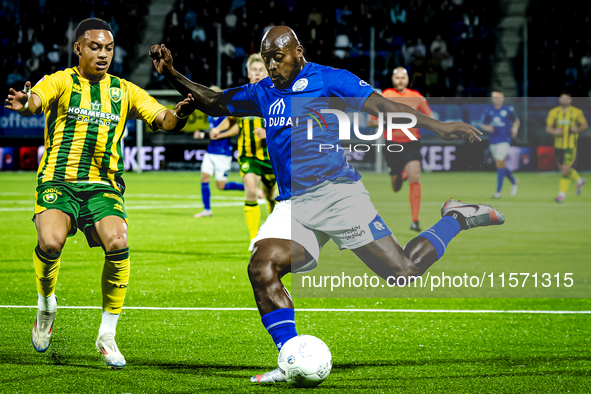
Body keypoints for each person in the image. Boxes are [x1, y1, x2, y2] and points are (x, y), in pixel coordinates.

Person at [150, 25, 504, 383]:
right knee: (262, 268)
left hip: (338, 194)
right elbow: (214, 102)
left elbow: (383, 106)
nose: (272, 66)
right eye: (267, 58)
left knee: (404, 272)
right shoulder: (263, 91)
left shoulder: (328, 79)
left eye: (278, 57)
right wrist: (173, 74)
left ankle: (455, 217)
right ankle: (290, 357)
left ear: (297, 52)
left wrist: (438, 126)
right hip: (293, 204)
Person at [4, 18, 193, 370]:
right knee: (50, 244)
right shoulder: (61, 81)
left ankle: (107, 334)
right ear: (79, 48)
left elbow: (164, 118)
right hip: (58, 182)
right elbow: (34, 100)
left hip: (102, 186)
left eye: (108, 48)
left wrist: (180, 114)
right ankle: (46, 304)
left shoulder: (125, 90)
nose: (102, 53)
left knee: (118, 242)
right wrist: (25, 102)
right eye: (95, 47)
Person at [369, 67, 433, 232]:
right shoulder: (384, 96)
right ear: (392, 79)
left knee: (415, 177)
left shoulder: (417, 97)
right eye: (397, 78)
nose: (400, 81)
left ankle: (415, 221)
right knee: (396, 187)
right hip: (392, 144)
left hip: (412, 143)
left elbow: (430, 118)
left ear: (407, 79)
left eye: (402, 78)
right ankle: (400, 173)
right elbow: (372, 121)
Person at [225, 53, 277, 240]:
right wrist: (217, 132)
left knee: (271, 197)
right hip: (248, 156)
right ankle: (254, 239)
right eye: (253, 70)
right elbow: (231, 120)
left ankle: (272, 232)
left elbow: (288, 124)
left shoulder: (276, 96)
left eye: (260, 70)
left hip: (271, 157)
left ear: (268, 72)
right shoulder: (240, 96)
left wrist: (269, 132)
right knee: (251, 192)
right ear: (248, 73)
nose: (257, 73)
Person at [193, 86, 245, 218]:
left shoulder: (226, 111)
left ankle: (250, 188)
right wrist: (203, 135)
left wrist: (220, 135)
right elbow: (213, 133)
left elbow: (236, 130)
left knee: (221, 186)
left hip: (223, 153)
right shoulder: (210, 114)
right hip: (211, 152)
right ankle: (207, 210)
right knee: (204, 177)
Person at [546, 91, 587, 203]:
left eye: (566, 98)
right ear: (559, 100)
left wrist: (577, 129)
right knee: (564, 169)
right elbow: (548, 128)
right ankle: (579, 180)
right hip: (558, 145)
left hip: (570, 145)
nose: (564, 100)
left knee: (565, 169)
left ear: (570, 100)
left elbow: (584, 124)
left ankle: (561, 196)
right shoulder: (554, 112)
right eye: (562, 98)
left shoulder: (576, 112)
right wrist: (554, 131)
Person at [480, 88, 520, 198]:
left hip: (505, 139)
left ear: (502, 98)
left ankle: (498, 192)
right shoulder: (488, 110)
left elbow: (516, 120)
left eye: (498, 97)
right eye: (494, 97)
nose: (496, 99)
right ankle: (513, 181)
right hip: (493, 140)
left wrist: (515, 128)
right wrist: (488, 127)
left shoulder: (508, 109)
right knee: (500, 164)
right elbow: (482, 124)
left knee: (499, 162)